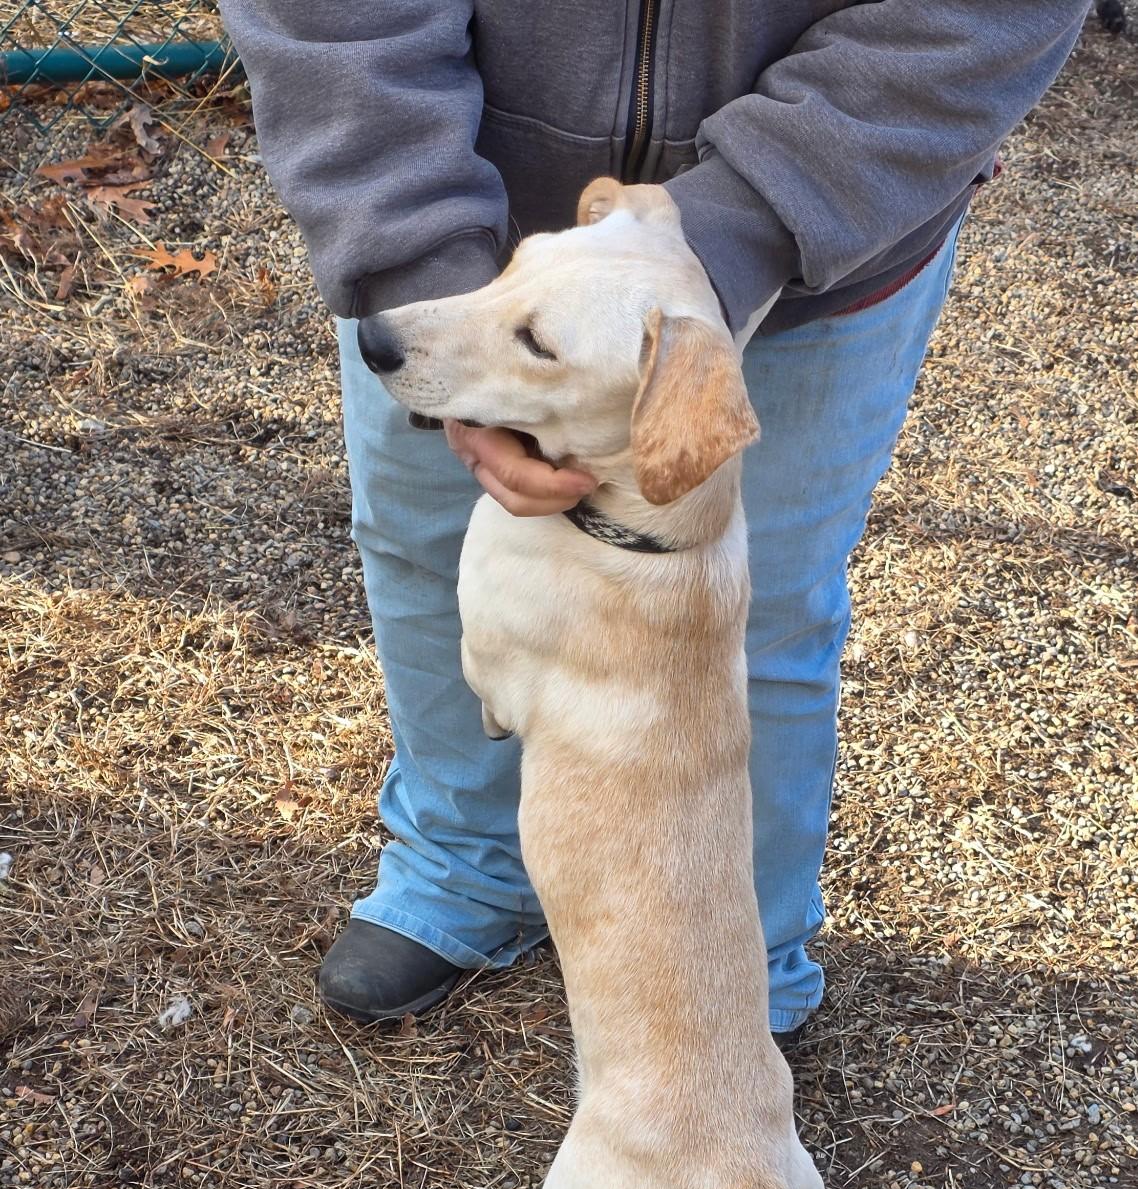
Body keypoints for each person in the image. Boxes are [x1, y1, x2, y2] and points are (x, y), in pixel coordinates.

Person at [219, 0, 1087, 1036]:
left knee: (751, 613)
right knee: (427, 545)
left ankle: (739, 957)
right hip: (472, 227)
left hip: (824, 223)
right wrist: (423, 266)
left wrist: (739, 230)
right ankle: (468, 864)